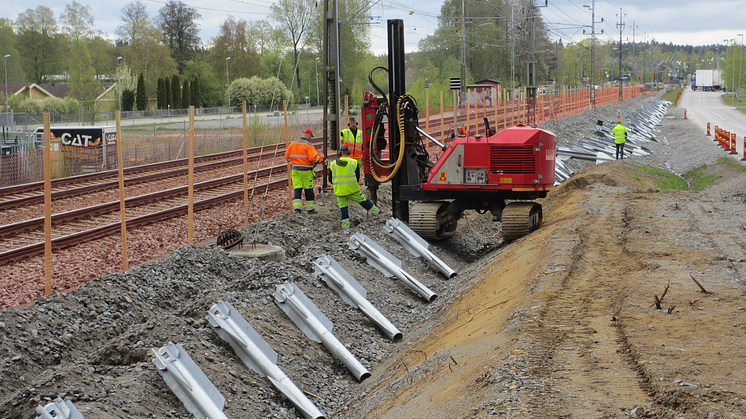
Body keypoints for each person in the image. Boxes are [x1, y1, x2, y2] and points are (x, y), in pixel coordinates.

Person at [328, 145, 381, 229]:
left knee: (343, 207)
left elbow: (330, 179)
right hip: (352, 189)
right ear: (349, 152)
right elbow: (357, 177)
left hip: (340, 191)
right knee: (364, 201)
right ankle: (378, 214)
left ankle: (345, 226)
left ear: (339, 153)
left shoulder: (333, 164)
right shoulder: (354, 162)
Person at [285, 128, 323, 214]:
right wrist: (321, 158)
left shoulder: (292, 144)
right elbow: (313, 158)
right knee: (308, 189)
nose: (311, 138)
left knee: (297, 189)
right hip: (306, 171)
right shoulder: (308, 145)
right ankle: (310, 209)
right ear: (309, 135)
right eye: (311, 136)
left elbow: (287, 157)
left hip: (295, 171)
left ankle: (297, 209)